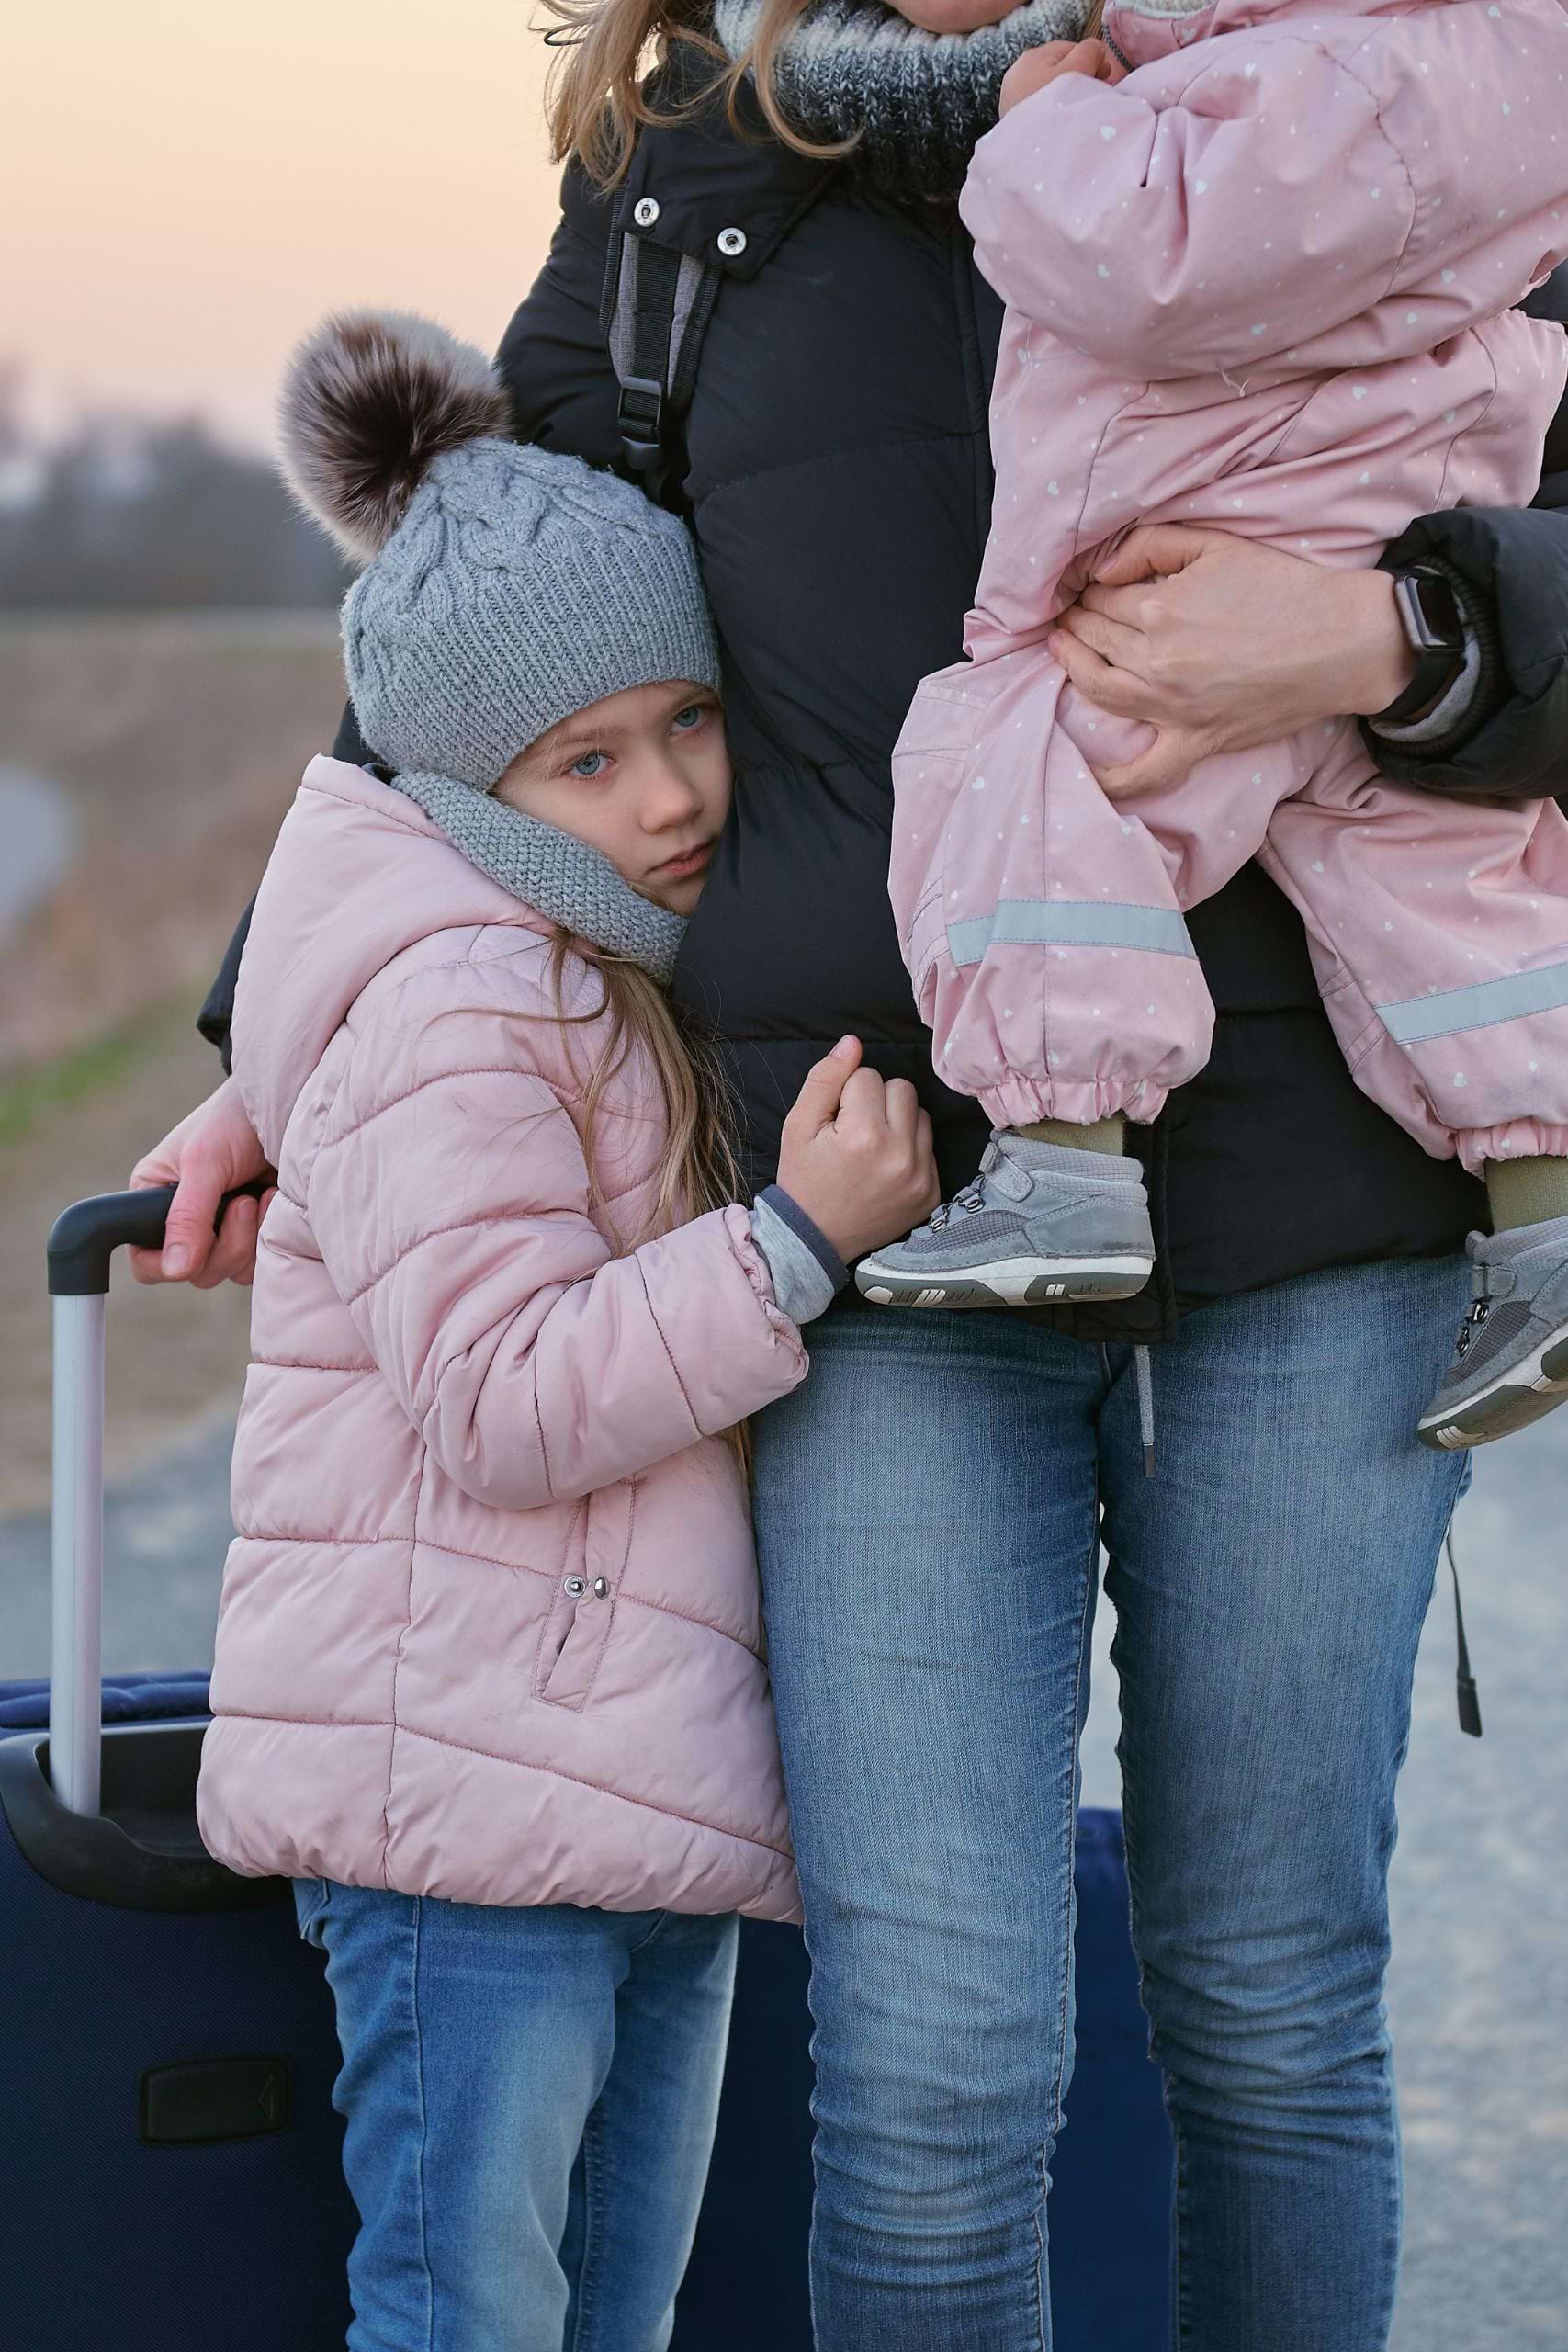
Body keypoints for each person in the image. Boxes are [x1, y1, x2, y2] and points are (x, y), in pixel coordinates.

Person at [135, 5, 1568, 2343]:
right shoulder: (702, 157)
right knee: (928, 2059)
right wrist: (266, 1035)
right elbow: (476, 620)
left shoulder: (1354, 74)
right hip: (880, 1215)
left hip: (1324, 1201)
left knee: (1268, 2007)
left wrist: (1387, 633)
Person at [192, 308, 935, 2352]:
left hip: (615, 1797)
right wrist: (793, 1243)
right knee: (467, 2314)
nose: (674, 791)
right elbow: (505, 1395)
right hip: (460, 1830)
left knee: (608, 2315)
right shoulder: (456, 991)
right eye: (586, 760)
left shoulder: (592, 953)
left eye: (685, 719)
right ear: (467, 781)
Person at [860, 0, 1568, 1459]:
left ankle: (1061, 1151)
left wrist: (1044, 121)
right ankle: (1547, 1210)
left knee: (1015, 752)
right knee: (1447, 876)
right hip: (1397, 508)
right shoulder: (1479, 59)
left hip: (1203, 546)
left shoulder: (1323, 68)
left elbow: (1148, 258)